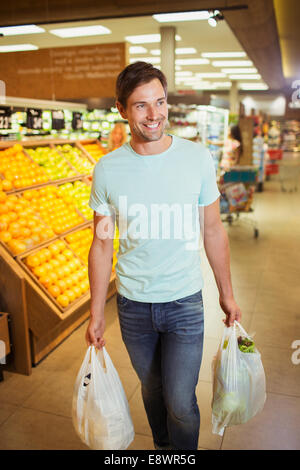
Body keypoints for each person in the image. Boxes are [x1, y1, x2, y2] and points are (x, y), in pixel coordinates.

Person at [86, 61, 242, 451]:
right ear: (122, 109)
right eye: (141, 105)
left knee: (180, 402)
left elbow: (213, 230)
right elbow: (103, 242)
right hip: (134, 307)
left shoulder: (197, 159)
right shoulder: (107, 170)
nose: (154, 115)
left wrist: (227, 292)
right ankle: (163, 452)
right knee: (152, 392)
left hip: (184, 302)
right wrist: (96, 312)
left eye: (160, 102)